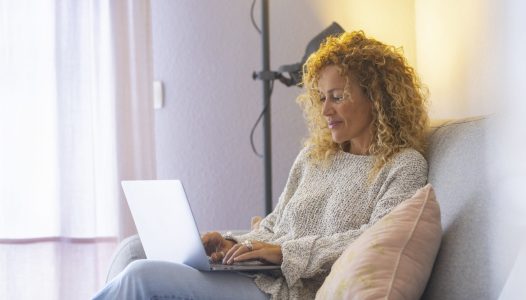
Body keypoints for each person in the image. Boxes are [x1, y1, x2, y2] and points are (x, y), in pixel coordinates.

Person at [93, 30, 429, 300]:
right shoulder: (315, 158)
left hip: (292, 291)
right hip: (260, 279)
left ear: (377, 98)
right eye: (321, 97)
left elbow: (372, 241)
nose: (325, 110)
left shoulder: (403, 166)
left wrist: (284, 253)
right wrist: (235, 244)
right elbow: (275, 224)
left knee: (141, 277)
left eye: (338, 97)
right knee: (141, 262)